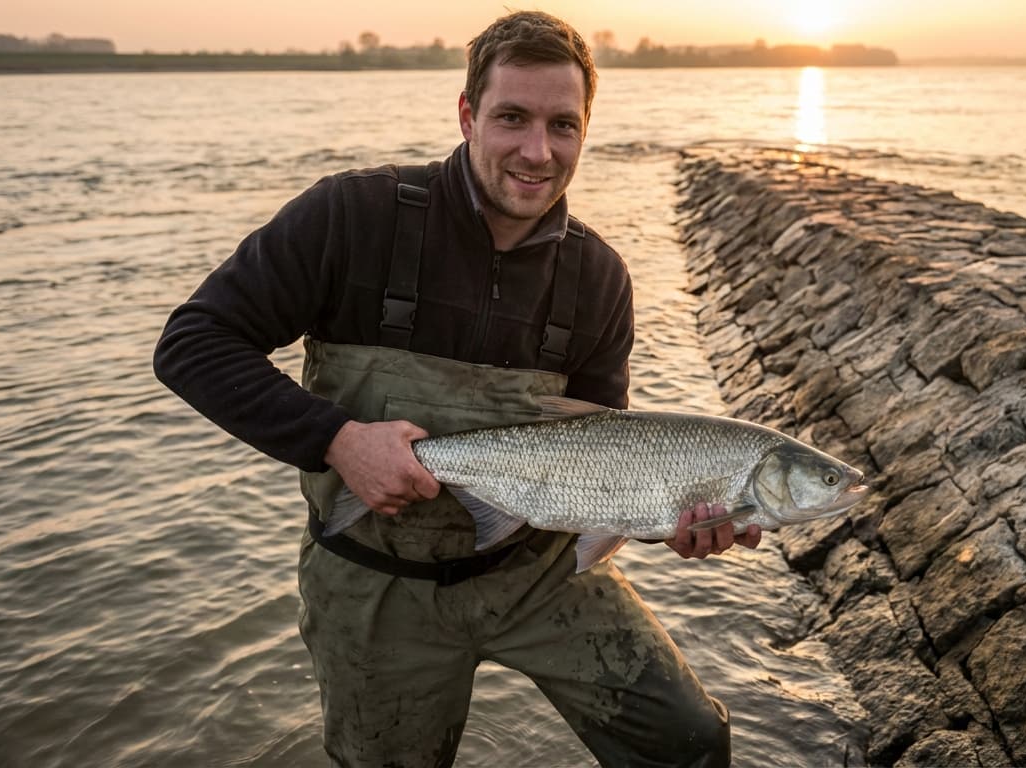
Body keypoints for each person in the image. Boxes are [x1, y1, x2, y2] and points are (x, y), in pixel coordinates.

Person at [153, 10, 761, 768]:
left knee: (691, 741)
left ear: (586, 130)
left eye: (563, 126)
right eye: (512, 118)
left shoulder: (599, 277)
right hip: (376, 583)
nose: (538, 152)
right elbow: (193, 343)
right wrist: (337, 441)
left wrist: (669, 518)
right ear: (468, 114)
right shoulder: (351, 216)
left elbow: (606, 455)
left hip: (540, 573)